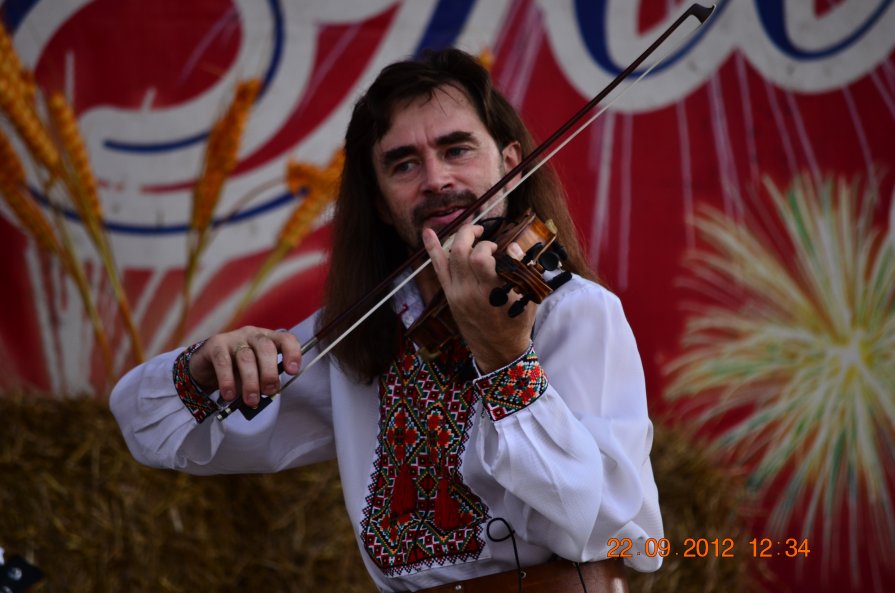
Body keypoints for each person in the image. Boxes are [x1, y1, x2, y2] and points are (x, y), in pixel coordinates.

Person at [111, 48, 663, 593]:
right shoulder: (364, 332)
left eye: (457, 149)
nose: (436, 179)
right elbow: (154, 433)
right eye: (404, 164)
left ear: (511, 164)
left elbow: (604, 527)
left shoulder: (573, 312)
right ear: (379, 201)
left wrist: (506, 362)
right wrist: (204, 371)